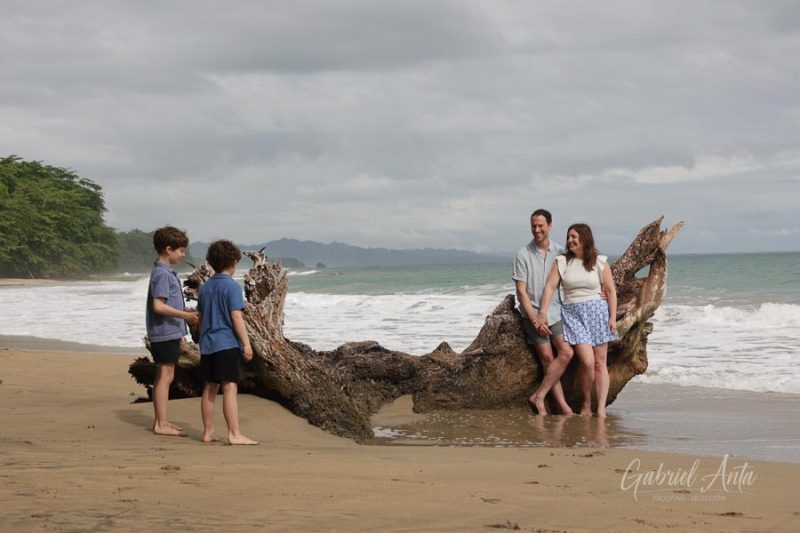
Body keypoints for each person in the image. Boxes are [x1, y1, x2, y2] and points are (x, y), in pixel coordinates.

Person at [534, 223, 618, 417]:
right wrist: (542, 313)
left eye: (574, 237)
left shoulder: (600, 261)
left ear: (584, 239)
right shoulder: (562, 262)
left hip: (598, 312)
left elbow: (611, 291)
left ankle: (601, 408)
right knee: (587, 361)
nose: (570, 240)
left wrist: (612, 317)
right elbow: (549, 287)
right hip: (573, 315)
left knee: (600, 363)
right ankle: (586, 402)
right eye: (569, 237)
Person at [512, 209, 578, 415]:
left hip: (555, 313)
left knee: (566, 353)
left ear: (550, 226)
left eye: (541, 226)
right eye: (534, 226)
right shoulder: (522, 255)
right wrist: (535, 319)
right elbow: (521, 293)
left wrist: (602, 291)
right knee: (548, 358)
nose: (537, 230)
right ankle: (564, 408)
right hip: (532, 314)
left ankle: (539, 395)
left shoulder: (560, 252)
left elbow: (580, 275)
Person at [197, 240, 258, 445]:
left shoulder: (205, 289)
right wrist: (246, 344)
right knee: (230, 387)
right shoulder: (231, 287)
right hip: (226, 343)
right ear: (233, 261)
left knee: (209, 387)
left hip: (207, 344)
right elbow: (236, 317)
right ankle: (234, 433)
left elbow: (201, 316)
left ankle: (208, 432)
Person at [146, 226, 199, 437]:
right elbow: (158, 306)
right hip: (163, 332)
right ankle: (161, 424)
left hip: (167, 331)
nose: (183, 254)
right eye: (181, 251)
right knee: (166, 377)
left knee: (163, 376)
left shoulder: (163, 272)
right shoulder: (162, 274)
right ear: (168, 249)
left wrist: (181, 328)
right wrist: (186, 316)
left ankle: (162, 421)